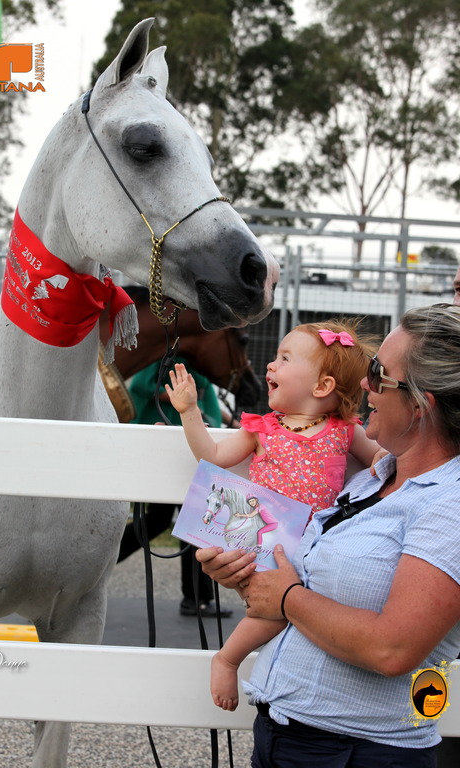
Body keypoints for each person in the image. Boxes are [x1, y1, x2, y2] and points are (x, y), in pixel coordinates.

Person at [196, 303, 460, 767]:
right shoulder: (373, 478)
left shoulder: (449, 504)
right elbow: (313, 582)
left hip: (356, 751)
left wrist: (286, 597)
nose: (362, 383)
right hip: (290, 735)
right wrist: (248, 578)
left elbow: (392, 648)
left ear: (421, 405)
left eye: (379, 373)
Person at [165, 319, 382, 710]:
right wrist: (189, 411)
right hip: (267, 544)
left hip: (321, 545)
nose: (270, 365)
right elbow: (212, 458)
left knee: (319, 608)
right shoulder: (261, 430)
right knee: (272, 611)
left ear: (322, 387)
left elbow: (382, 463)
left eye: (284, 358)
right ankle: (227, 658)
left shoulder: (345, 430)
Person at [117, 357, 233, 618]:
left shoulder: (197, 363)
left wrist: (228, 423)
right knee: (179, 521)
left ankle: (196, 598)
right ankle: (197, 598)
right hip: (172, 448)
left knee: (177, 520)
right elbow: (140, 388)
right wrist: (184, 407)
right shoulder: (165, 359)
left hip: (190, 447)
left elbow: (204, 399)